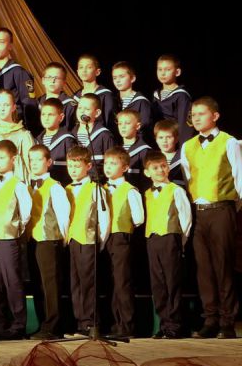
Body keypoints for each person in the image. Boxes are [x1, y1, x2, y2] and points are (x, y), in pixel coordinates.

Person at [181, 97, 242, 339]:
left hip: (222, 210)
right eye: (193, 114)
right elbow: (188, 179)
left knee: (223, 266)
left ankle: (227, 321)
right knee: (204, 268)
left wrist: (232, 207)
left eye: (201, 113)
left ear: (215, 116)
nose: (196, 118)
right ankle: (210, 319)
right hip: (200, 212)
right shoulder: (188, 146)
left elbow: (239, 178)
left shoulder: (229, 142)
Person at [0, 140, 33, 340]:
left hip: (9, 238)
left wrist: (15, 228)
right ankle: (0, 323)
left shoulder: (18, 185)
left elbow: (26, 213)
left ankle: (18, 324)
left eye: (1, 158)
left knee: (12, 280)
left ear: (13, 160)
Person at [142, 151, 192, 339]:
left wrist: (180, 241)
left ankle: (175, 325)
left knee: (172, 282)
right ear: (147, 172)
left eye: (163, 166)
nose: (160, 170)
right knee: (158, 283)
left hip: (171, 238)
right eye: (155, 167)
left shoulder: (176, 190)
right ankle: (163, 324)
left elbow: (186, 219)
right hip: (153, 239)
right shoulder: (147, 193)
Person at [26, 144, 70, 340]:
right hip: (32, 240)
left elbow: (63, 217)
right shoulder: (28, 186)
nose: (34, 163)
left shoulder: (55, 187)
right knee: (37, 284)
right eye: (31, 160)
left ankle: (53, 325)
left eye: (38, 159)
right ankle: (43, 323)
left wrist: (61, 240)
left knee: (50, 285)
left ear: (49, 162)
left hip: (49, 240)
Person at [66, 146, 110, 336]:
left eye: (77, 166)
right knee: (75, 284)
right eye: (70, 166)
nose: (73, 170)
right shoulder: (67, 189)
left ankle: (91, 322)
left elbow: (104, 218)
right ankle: (80, 323)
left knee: (88, 284)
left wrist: (100, 241)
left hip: (89, 240)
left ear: (88, 166)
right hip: (73, 240)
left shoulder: (96, 188)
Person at [103, 147, 144, 338]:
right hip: (104, 238)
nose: (108, 167)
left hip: (121, 237)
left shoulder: (130, 190)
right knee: (110, 282)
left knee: (122, 281)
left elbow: (139, 218)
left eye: (113, 163)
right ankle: (114, 323)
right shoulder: (101, 189)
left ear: (125, 167)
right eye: (106, 163)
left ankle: (126, 325)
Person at [0, 27, 34, 123]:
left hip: (13, 125)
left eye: (1, 42)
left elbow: (29, 104)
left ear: (10, 46)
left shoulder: (19, 72)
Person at [0, 90, 34, 181]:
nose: (2, 109)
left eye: (6, 105)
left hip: (18, 183)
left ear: (13, 107)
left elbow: (31, 165)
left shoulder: (24, 135)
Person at [73, 93, 117, 181]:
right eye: (79, 108)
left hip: (98, 183)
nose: (82, 111)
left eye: (87, 109)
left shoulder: (104, 135)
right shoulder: (70, 136)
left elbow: (112, 163)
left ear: (97, 113)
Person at [28, 62, 77, 135]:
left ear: (64, 83)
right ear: (43, 80)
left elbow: (73, 130)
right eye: (49, 77)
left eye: (57, 78)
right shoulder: (37, 103)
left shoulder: (70, 105)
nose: (52, 81)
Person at [153, 54, 194, 141]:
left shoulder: (181, 95)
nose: (163, 73)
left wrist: (182, 146)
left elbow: (184, 125)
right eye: (160, 69)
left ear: (177, 72)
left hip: (174, 140)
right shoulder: (156, 94)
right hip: (160, 141)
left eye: (167, 69)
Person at [36, 98, 75, 185]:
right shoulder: (37, 140)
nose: (46, 118)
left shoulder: (67, 139)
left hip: (63, 185)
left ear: (61, 117)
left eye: (50, 115)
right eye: (43, 114)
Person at [111, 62, 153, 139]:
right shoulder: (113, 101)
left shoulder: (141, 102)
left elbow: (144, 128)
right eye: (115, 78)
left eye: (122, 76)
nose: (117, 80)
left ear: (132, 78)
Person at [73, 54, 116, 127]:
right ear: (77, 72)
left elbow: (110, 122)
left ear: (97, 72)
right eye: (81, 67)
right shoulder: (75, 97)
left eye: (89, 67)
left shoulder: (105, 95)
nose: (84, 70)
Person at [116, 110, 153, 191]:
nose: (123, 127)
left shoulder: (145, 152)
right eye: (120, 124)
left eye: (127, 123)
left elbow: (147, 182)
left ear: (138, 126)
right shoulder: (116, 150)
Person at [153, 119, 186, 187]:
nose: (164, 141)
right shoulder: (152, 159)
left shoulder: (183, 158)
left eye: (168, 137)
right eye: (161, 137)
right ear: (156, 139)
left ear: (176, 139)